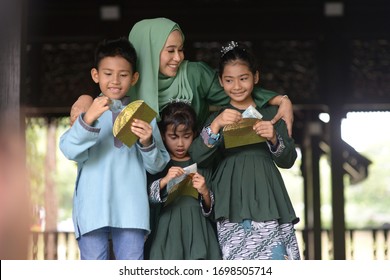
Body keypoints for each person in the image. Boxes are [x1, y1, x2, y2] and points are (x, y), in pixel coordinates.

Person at [70, 17, 294, 137]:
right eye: (170, 50)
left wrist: (280, 99)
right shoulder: (128, 83)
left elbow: (236, 92)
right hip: (145, 180)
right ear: (149, 49)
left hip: (193, 172)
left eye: (181, 49)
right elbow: (103, 104)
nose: (178, 57)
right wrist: (85, 99)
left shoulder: (194, 74)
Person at [59, 37, 170, 260]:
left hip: (131, 210)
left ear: (134, 77)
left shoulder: (142, 114)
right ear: (95, 75)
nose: (115, 81)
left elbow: (157, 165)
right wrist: (88, 118)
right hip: (92, 209)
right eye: (108, 74)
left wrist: (147, 142)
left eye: (123, 74)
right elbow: (69, 150)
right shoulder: (87, 112)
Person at [189, 41, 301, 260]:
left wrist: (273, 137)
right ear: (221, 81)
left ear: (255, 77)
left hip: (267, 196)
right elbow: (197, 156)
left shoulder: (272, 113)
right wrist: (216, 125)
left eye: (243, 78)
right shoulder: (216, 118)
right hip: (231, 200)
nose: (237, 86)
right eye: (229, 80)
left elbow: (288, 160)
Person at [146, 101, 221, 260]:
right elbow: (150, 201)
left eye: (186, 136)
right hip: (167, 232)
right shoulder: (158, 163)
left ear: (194, 134)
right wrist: (165, 180)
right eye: (173, 137)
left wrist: (205, 191)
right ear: (163, 136)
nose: (180, 144)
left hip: (199, 230)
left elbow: (212, 209)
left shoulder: (203, 163)